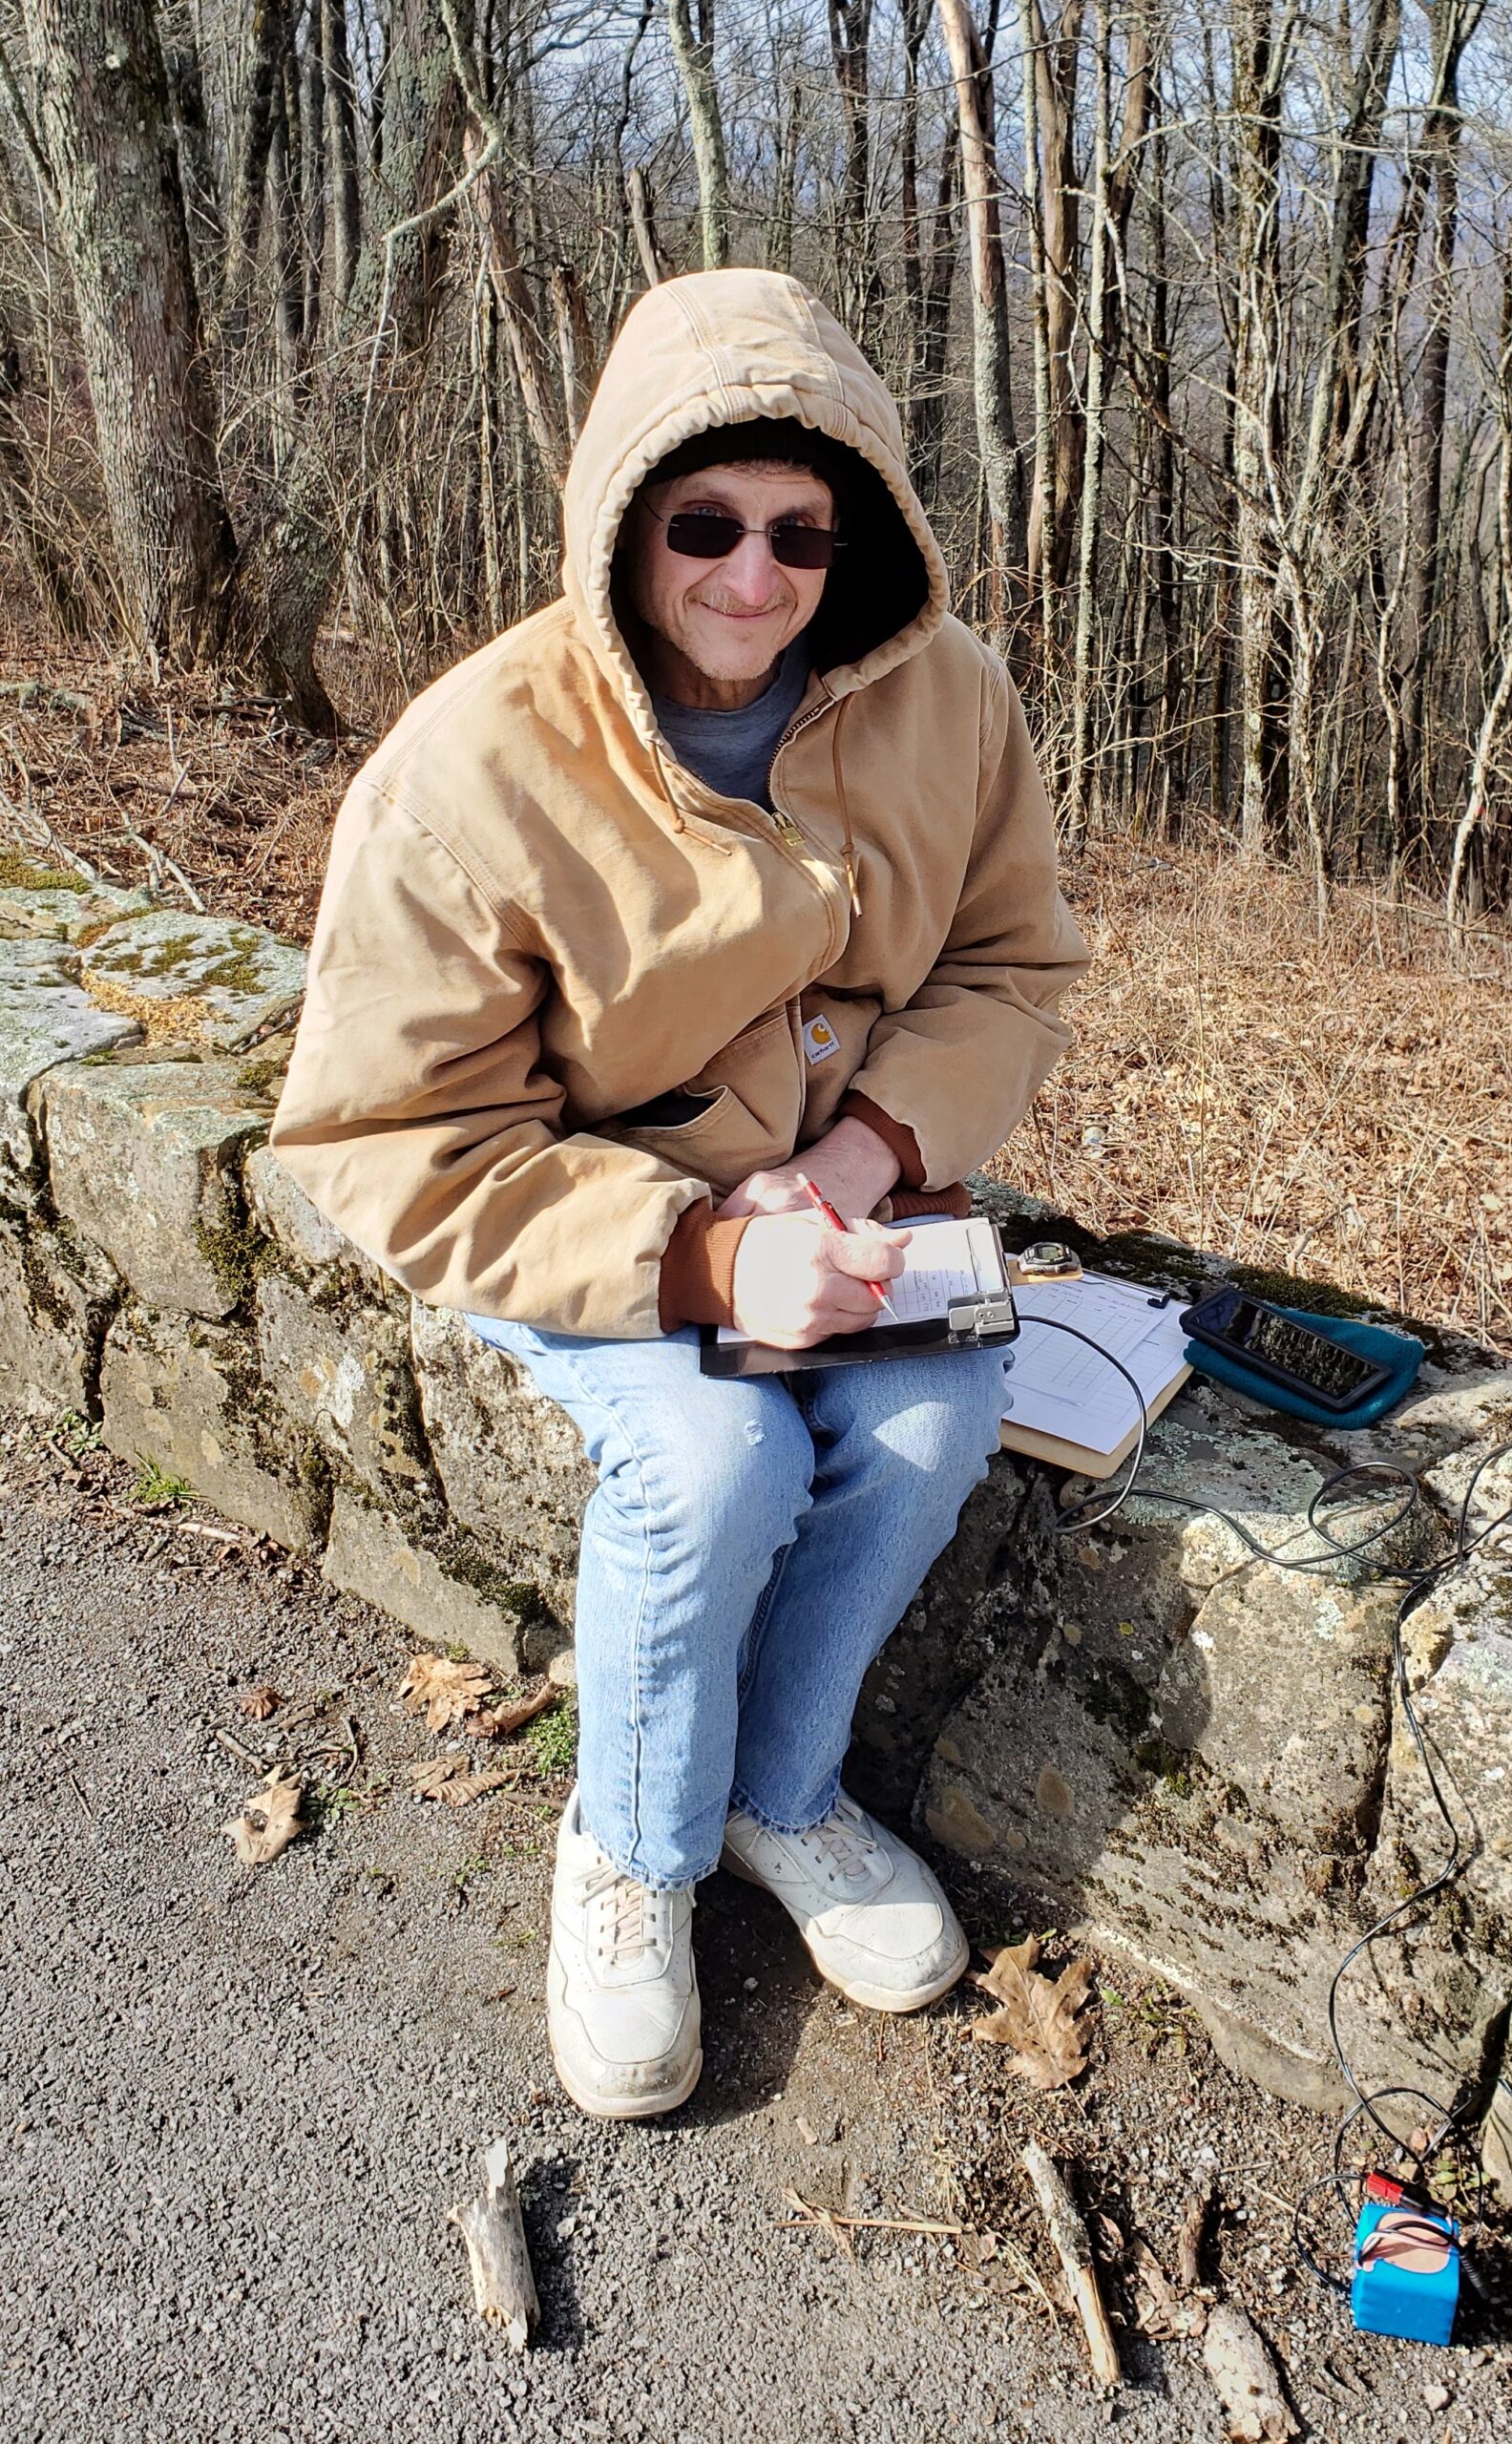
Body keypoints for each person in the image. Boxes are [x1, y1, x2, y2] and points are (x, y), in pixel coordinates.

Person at [271, 270, 1085, 2120]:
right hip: (582, 1206)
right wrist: (707, 1259)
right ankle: (632, 1842)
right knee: (717, 1461)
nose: (752, 574)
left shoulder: (951, 699)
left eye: (802, 533)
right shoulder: (472, 761)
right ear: (623, 523)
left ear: (858, 544)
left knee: (936, 1415)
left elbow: (1011, 966)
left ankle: (776, 1794)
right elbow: (391, 1135)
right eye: (704, 523)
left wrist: (862, 1158)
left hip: (847, 1181)